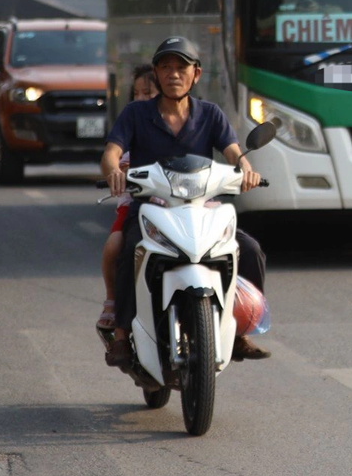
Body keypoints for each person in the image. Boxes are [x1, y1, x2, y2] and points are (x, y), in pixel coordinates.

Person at [99, 36, 270, 362]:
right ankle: (121, 335)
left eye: (181, 67)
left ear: (197, 74)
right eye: (166, 67)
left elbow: (235, 153)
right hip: (150, 208)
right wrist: (113, 172)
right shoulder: (136, 113)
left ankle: (240, 332)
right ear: (157, 73)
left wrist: (246, 170)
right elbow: (111, 153)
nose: (173, 74)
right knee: (128, 252)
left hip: (201, 207)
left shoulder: (211, 114)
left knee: (249, 250)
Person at [94, 65, 159, 338]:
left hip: (180, 205)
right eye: (137, 93)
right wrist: (117, 174)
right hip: (136, 205)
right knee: (116, 245)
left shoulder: (194, 117)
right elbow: (112, 158)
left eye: (149, 92)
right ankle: (113, 303)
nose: (142, 98)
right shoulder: (131, 121)